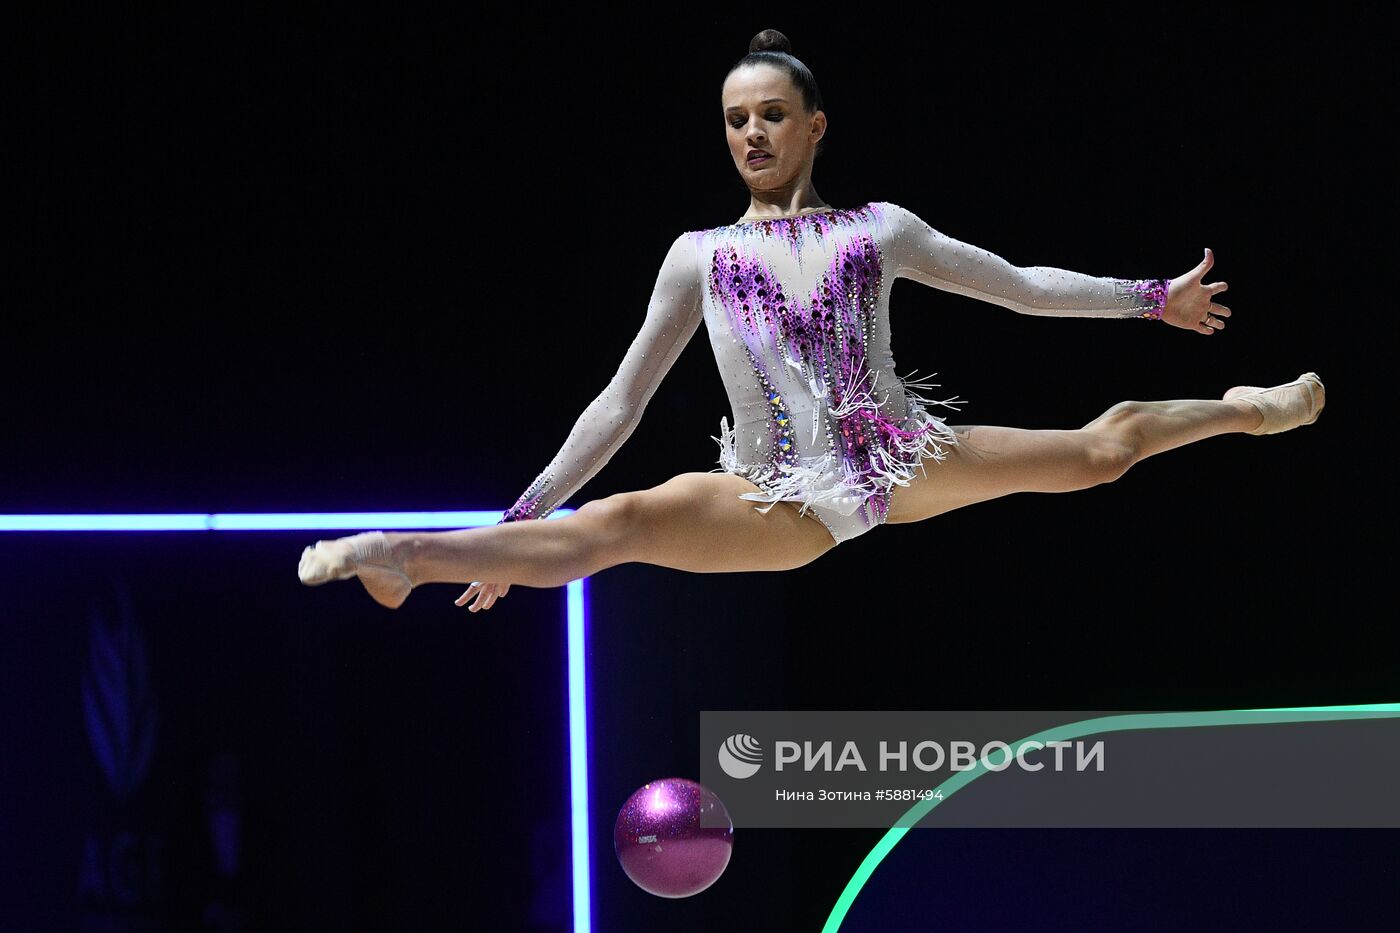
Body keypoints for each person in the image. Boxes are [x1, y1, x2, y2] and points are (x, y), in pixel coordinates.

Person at [298, 28, 1325, 612]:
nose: (750, 133)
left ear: (813, 125)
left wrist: (1151, 298)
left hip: (897, 459)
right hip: (770, 496)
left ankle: (1245, 411)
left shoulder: (879, 231)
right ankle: (408, 552)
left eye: (770, 115)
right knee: (606, 527)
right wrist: (518, 524)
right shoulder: (697, 257)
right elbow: (620, 402)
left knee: (1100, 454)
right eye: (734, 120)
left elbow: (1017, 284)